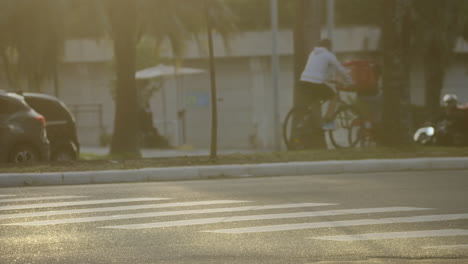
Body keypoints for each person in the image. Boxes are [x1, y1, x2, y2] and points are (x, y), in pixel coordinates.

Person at [299, 38, 354, 130]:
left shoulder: (312, 53)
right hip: (315, 83)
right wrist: (350, 82)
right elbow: (340, 69)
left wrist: (330, 80)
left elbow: (317, 71)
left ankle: (308, 122)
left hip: (304, 81)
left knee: (316, 102)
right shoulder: (328, 55)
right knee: (334, 96)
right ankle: (328, 122)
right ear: (329, 46)